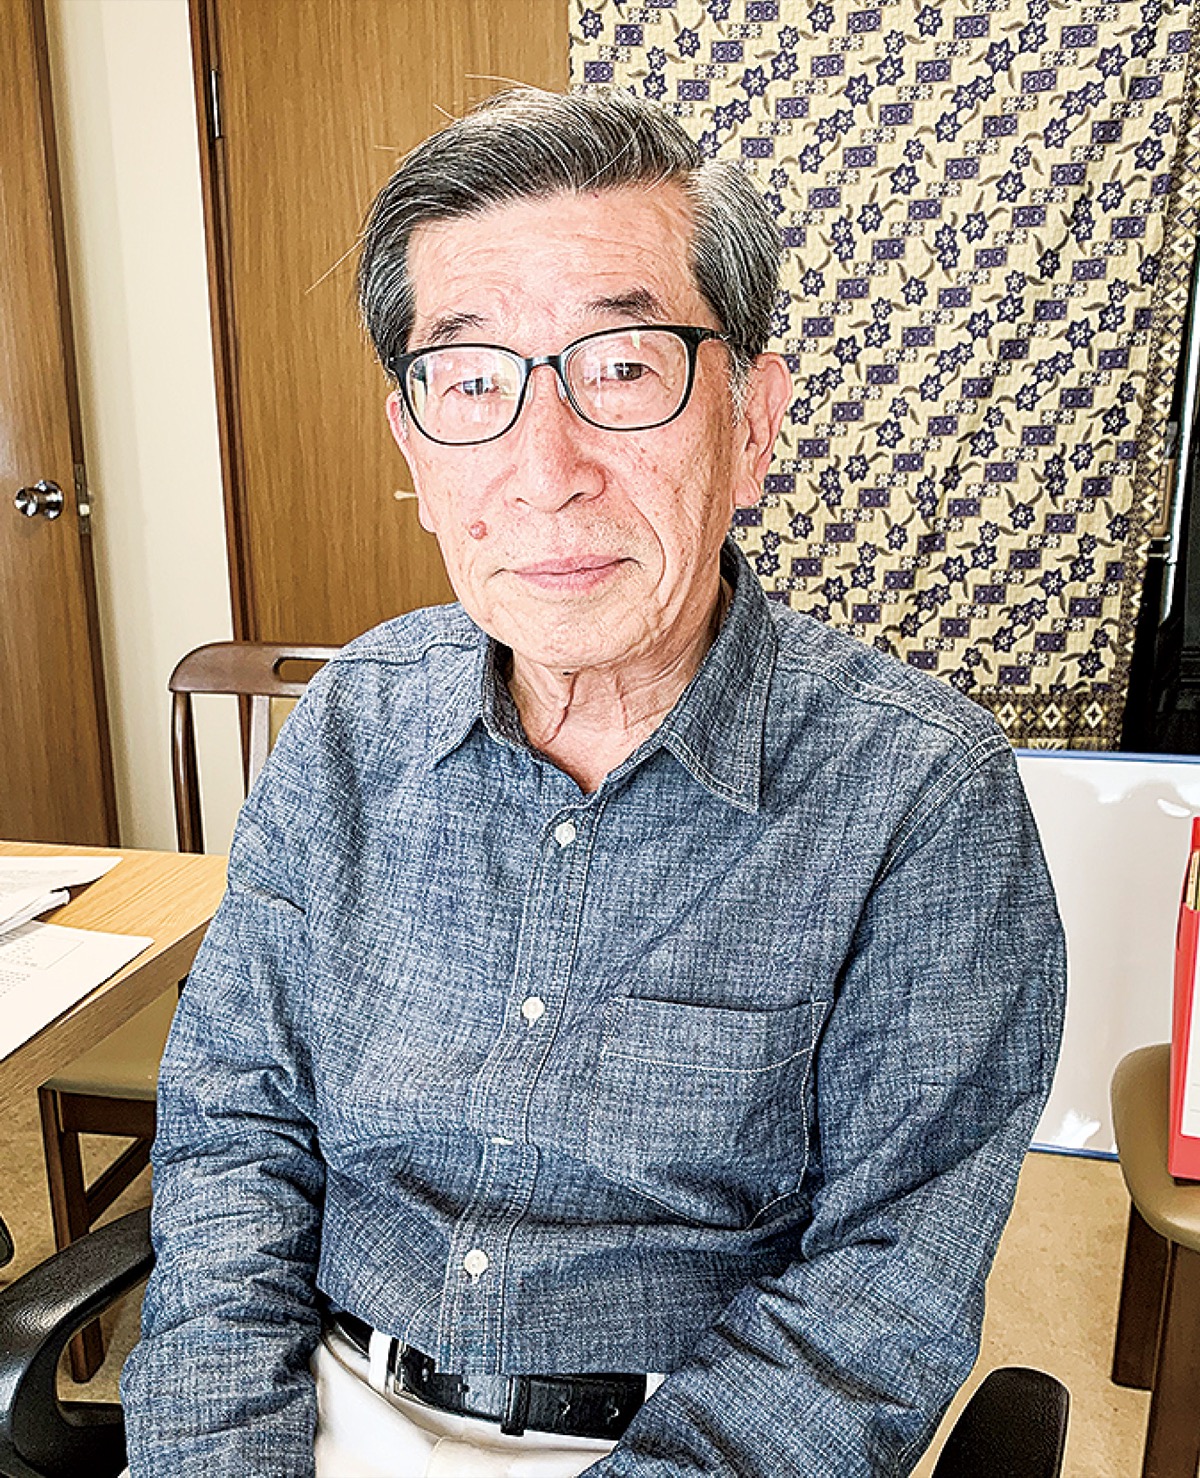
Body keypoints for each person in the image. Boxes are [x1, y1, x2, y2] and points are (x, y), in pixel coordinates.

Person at [121, 87, 1066, 1477]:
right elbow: (234, 1129)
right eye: (473, 381)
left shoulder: (922, 796)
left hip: (678, 1440)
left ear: (751, 425)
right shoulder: (352, 720)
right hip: (325, 1403)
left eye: (622, 368)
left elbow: (881, 1300)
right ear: (414, 448)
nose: (545, 471)